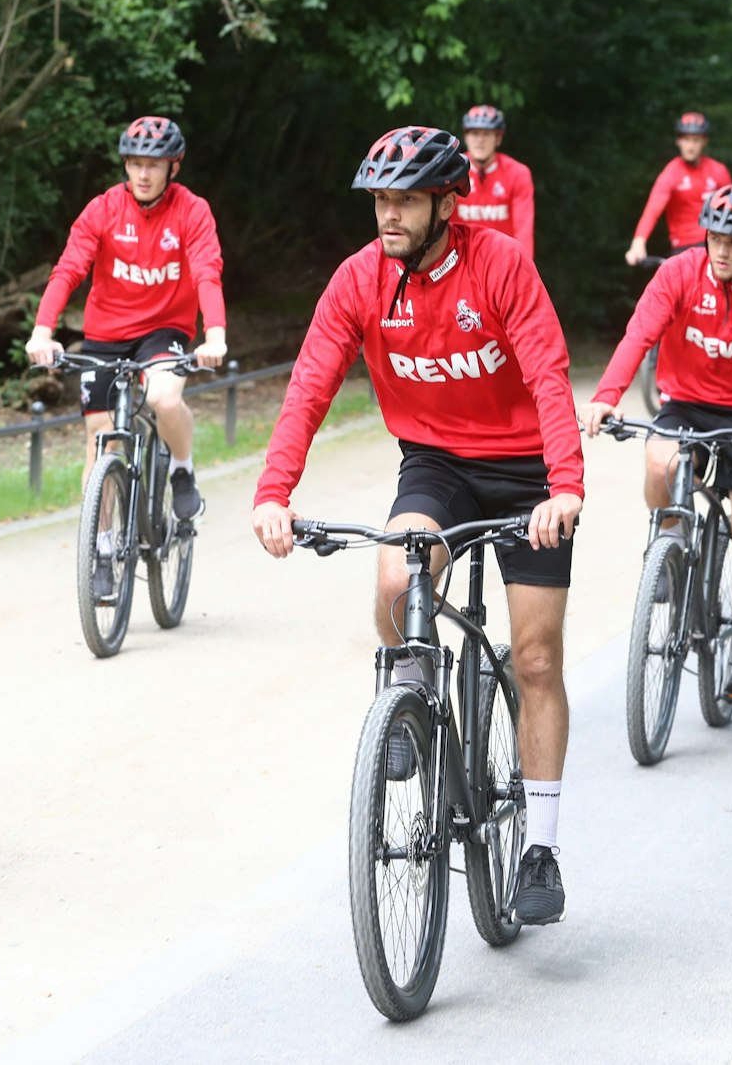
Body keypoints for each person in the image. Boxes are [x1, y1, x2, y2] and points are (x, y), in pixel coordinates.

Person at [251, 126, 584, 925]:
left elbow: (547, 372)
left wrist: (564, 486)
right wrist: (273, 488)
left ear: (445, 202)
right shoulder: (360, 280)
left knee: (535, 657)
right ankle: (411, 695)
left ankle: (539, 845)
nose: (387, 215)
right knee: (397, 574)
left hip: (524, 472)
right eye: (379, 200)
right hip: (434, 463)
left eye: (403, 200)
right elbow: (309, 384)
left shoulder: (499, 264)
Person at [581, 185, 732, 706]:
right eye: (714, 237)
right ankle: (669, 544)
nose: (721, 250)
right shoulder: (679, 272)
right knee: (660, 461)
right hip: (686, 403)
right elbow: (639, 335)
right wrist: (606, 397)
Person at [24, 116, 228, 585]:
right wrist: (42, 331)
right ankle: (100, 547)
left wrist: (214, 335)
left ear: (172, 168)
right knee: (101, 437)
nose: (142, 174)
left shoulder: (192, 211)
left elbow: (206, 273)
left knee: (162, 398)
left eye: (153, 165)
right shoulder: (102, 210)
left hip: (164, 330)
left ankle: (181, 468)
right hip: (105, 333)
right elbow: (69, 269)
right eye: (135, 163)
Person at [624, 112, 732, 265]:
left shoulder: (718, 171)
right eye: (686, 139)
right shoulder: (671, 172)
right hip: (683, 248)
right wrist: (638, 242)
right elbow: (653, 210)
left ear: (704, 141)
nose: (690, 145)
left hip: (715, 244)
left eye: (696, 140)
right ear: (678, 141)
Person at [457, 104, 536, 259]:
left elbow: (523, 230)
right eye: (474, 133)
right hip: (460, 259)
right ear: (466, 137)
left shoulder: (518, 173)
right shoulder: (453, 170)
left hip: (502, 258)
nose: (480, 140)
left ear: (498, 138)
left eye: (487, 134)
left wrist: (523, 266)